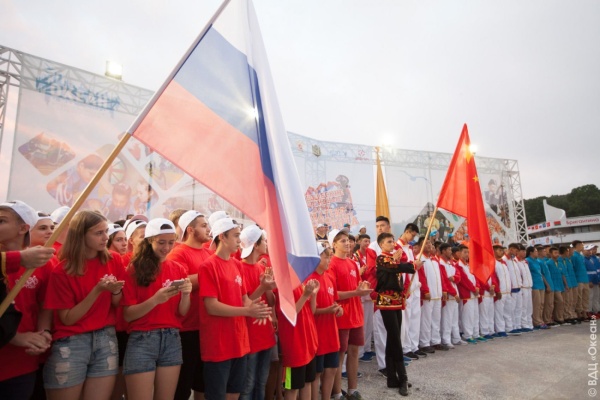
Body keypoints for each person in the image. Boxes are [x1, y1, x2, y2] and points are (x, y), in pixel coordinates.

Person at [43, 211, 125, 400]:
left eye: (106, 231)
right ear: (80, 234)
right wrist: (97, 291)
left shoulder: (114, 260)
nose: (106, 237)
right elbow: (67, 318)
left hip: (106, 337)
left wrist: (115, 290)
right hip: (72, 341)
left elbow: (117, 303)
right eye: (98, 233)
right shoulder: (62, 270)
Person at [198, 218, 271, 399]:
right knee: (217, 395)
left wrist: (258, 308)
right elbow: (211, 306)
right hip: (219, 345)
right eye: (236, 236)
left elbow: (245, 300)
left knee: (235, 392)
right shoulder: (208, 266)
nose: (240, 240)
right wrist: (247, 311)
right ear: (222, 237)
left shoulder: (236, 264)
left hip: (239, 342)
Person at [121, 218, 192, 400]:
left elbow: (182, 312)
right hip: (143, 338)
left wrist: (186, 294)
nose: (166, 247)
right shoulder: (134, 269)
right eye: (161, 242)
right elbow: (128, 314)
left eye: (171, 242)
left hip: (172, 338)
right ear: (150, 240)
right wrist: (155, 300)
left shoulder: (178, 269)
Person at [0, 201, 54, 399]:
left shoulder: (43, 263)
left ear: (23, 228)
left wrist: (43, 332)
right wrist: (14, 336)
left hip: (22, 360)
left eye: (1, 221)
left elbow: (44, 304)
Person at [167, 210, 213, 400]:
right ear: (191, 230)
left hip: (206, 327)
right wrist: (211, 275)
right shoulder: (178, 253)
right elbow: (179, 283)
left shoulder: (209, 253)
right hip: (185, 329)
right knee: (183, 385)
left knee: (203, 383)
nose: (208, 229)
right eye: (203, 225)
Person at [328, 229, 372, 400]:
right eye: (342, 241)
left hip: (356, 314)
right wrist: (356, 292)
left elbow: (356, 286)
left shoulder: (353, 263)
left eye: (348, 240)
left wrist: (363, 287)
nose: (347, 243)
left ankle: (352, 390)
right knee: (339, 355)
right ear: (334, 244)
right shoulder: (331, 264)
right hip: (341, 316)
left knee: (354, 352)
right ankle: (337, 392)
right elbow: (333, 294)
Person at [375, 232, 421, 396]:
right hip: (386, 302)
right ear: (381, 244)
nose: (392, 243)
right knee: (395, 338)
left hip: (396, 301)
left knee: (392, 338)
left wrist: (409, 264)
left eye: (393, 241)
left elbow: (399, 267)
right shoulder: (382, 259)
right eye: (389, 241)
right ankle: (403, 378)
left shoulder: (393, 258)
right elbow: (395, 267)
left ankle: (391, 378)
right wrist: (413, 266)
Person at [239, 225, 277, 400]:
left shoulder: (260, 268)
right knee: (248, 384)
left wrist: (269, 286)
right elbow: (245, 303)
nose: (266, 244)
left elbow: (271, 301)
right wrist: (263, 287)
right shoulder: (240, 268)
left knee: (261, 381)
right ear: (255, 244)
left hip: (265, 332)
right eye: (264, 241)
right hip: (250, 334)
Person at [307, 244, 342, 400]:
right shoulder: (309, 279)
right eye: (326, 256)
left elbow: (334, 301)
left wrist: (338, 309)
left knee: (332, 368)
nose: (329, 260)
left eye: (329, 256)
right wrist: (327, 310)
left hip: (331, 332)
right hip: (317, 333)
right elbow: (310, 311)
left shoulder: (329, 277)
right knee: (317, 372)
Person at [397, 224, 425, 359]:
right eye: (412, 235)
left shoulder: (409, 248)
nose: (413, 238)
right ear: (407, 231)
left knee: (414, 317)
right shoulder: (397, 247)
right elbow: (402, 267)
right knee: (405, 319)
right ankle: (405, 347)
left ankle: (413, 346)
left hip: (414, 286)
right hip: (405, 287)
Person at [354, 234, 374, 363]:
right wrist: (360, 272)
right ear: (359, 242)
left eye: (368, 241)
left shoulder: (369, 255)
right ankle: (360, 352)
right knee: (363, 323)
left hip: (369, 291)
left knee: (369, 322)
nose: (367, 243)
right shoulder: (356, 256)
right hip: (361, 292)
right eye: (365, 241)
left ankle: (367, 348)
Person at [456, 245, 480, 344]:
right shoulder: (458, 265)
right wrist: (473, 289)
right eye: (465, 252)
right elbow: (464, 280)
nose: (467, 254)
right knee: (467, 315)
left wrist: (477, 286)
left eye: (468, 252)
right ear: (459, 253)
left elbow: (475, 277)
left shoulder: (469, 265)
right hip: (466, 294)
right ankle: (467, 334)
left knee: (475, 314)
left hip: (474, 294)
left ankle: (475, 333)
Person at [438, 243, 461, 348]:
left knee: (454, 318)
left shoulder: (451, 263)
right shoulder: (441, 263)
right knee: (447, 318)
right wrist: (454, 293)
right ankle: (446, 339)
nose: (450, 252)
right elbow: (444, 280)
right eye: (449, 250)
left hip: (455, 293)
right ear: (443, 251)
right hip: (449, 294)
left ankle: (456, 338)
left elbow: (458, 275)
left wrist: (455, 278)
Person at [525, 246, 548, 330]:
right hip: (534, 285)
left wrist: (546, 284)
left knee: (541, 303)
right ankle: (536, 321)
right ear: (531, 252)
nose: (537, 253)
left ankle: (540, 320)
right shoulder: (528, 260)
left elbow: (540, 273)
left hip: (540, 283)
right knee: (536, 304)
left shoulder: (537, 261)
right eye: (535, 251)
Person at [571, 240, 590, 322]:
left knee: (586, 296)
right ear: (577, 246)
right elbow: (573, 267)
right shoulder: (574, 256)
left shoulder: (581, 256)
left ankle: (585, 312)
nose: (582, 246)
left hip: (585, 278)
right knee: (579, 297)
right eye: (581, 245)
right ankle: (579, 313)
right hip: (578, 279)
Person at [584, 245, 600, 317]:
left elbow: (596, 271)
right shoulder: (584, 260)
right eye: (588, 250)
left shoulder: (592, 259)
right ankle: (589, 311)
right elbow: (585, 271)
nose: (590, 251)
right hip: (590, 281)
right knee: (590, 297)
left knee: (596, 296)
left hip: (595, 280)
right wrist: (589, 280)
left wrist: (598, 279)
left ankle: (596, 310)